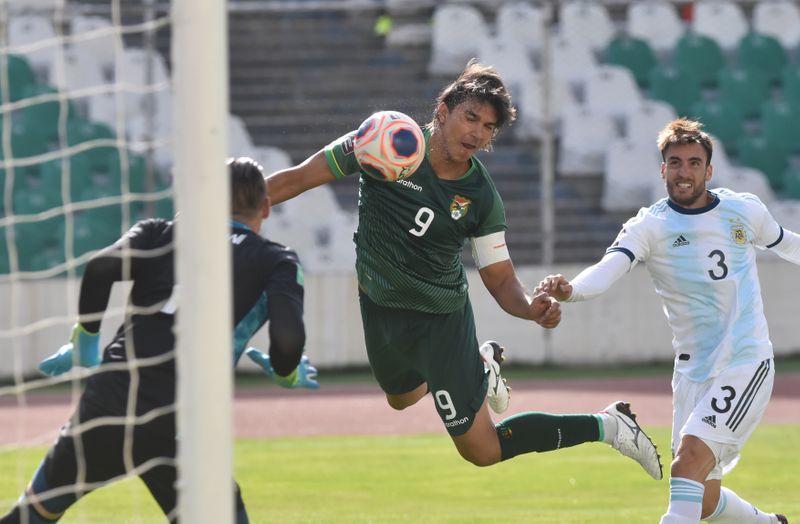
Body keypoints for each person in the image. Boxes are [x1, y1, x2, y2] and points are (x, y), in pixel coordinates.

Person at [264, 59, 662, 479]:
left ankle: (608, 425)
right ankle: (479, 368)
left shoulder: (481, 196)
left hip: (440, 320)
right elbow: (296, 179)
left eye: (489, 127)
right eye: (470, 117)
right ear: (442, 112)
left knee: (482, 451)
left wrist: (530, 308)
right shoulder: (384, 139)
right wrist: (236, 208)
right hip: (379, 305)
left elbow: (500, 278)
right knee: (400, 399)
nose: (478, 133)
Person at [0, 157, 318, 524]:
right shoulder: (276, 260)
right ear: (265, 207)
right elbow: (288, 339)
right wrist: (285, 370)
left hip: (111, 399)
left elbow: (101, 268)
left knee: (34, 514)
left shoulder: (159, 232)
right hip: (179, 419)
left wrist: (85, 342)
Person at [537, 118, 793, 524]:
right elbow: (607, 269)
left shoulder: (743, 210)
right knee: (703, 499)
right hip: (692, 373)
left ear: (709, 170)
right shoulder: (650, 226)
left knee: (687, 464)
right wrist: (570, 290)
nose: (684, 172)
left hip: (744, 361)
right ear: (663, 170)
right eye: (675, 163)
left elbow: (788, 243)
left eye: (694, 163)